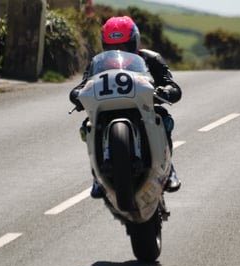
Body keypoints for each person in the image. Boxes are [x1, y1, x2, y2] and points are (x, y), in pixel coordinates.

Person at [70, 16, 182, 198]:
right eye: (112, 47)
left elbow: (172, 84)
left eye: (124, 46)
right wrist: (77, 94)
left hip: (142, 108)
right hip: (106, 109)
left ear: (134, 42)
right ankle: (97, 176)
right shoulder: (96, 63)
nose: (118, 51)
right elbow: (83, 84)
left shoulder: (151, 59)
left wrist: (166, 91)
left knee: (163, 118)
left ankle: (169, 170)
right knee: (88, 126)